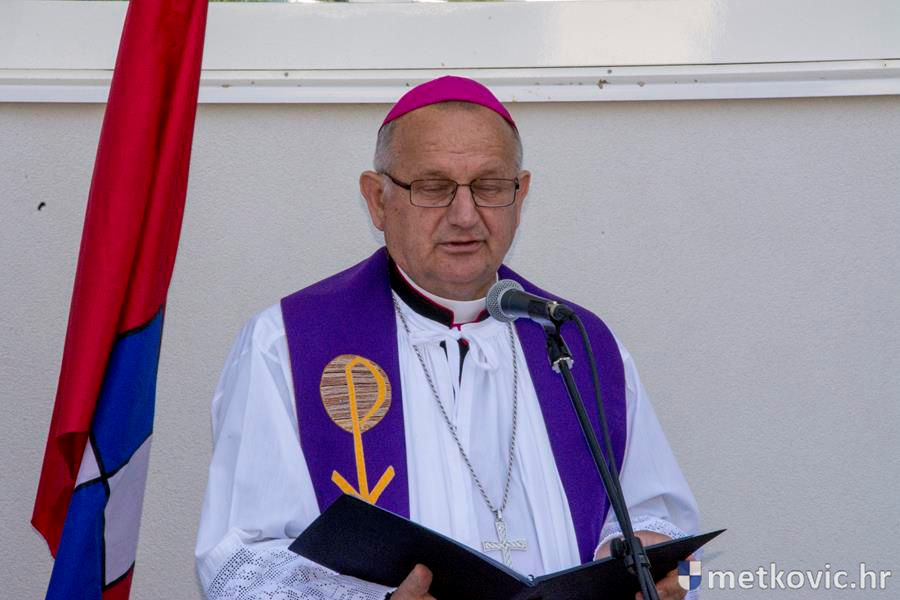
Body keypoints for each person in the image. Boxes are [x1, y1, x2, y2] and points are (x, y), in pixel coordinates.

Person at [195, 76, 700, 600]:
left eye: (490, 186)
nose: (465, 216)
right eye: (434, 187)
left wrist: (656, 571)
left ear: (521, 195)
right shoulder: (286, 344)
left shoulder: (578, 344)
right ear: (377, 200)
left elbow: (677, 541)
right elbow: (239, 562)